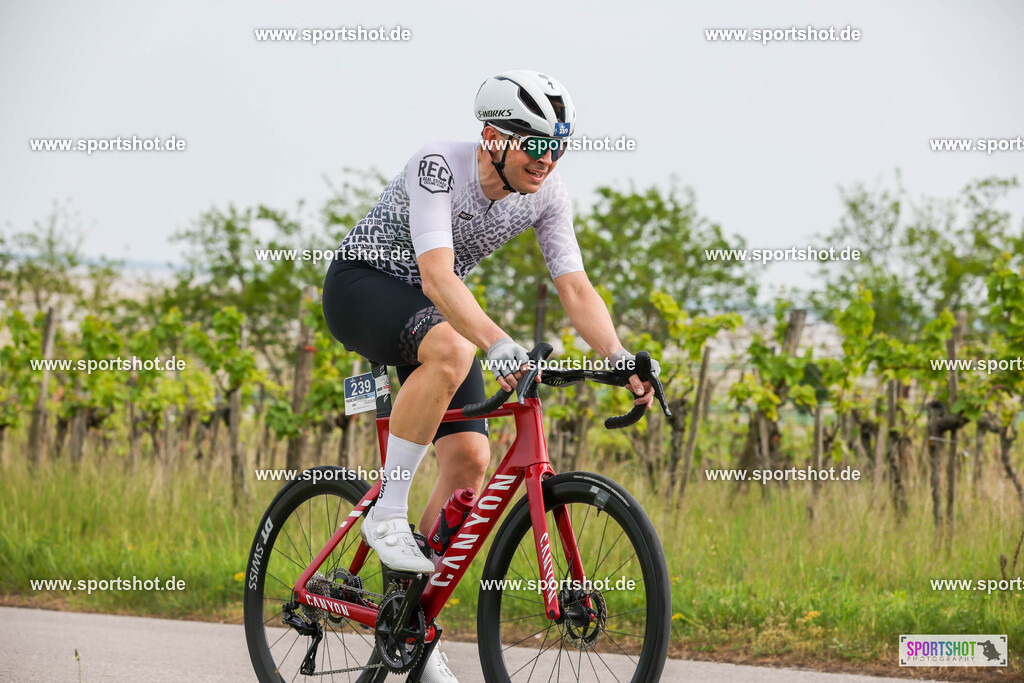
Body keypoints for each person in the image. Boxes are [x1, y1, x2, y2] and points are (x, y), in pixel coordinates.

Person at [322, 69, 656, 681]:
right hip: (363, 287)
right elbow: (438, 278)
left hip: (433, 312)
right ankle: (387, 511)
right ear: (493, 136)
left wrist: (619, 357)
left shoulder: (547, 195)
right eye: (534, 143)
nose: (547, 159)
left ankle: (407, 626)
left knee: (470, 463)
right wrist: (498, 343)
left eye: (558, 144)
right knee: (456, 350)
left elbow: (575, 288)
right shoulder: (439, 168)